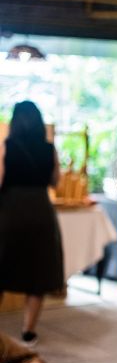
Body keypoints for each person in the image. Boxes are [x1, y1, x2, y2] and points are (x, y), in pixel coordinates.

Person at [0, 101, 63, 346]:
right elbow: (55, 181)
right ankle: (28, 332)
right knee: (38, 273)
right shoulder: (49, 148)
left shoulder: (6, 146)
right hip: (40, 212)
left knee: (2, 267)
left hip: (9, 213)